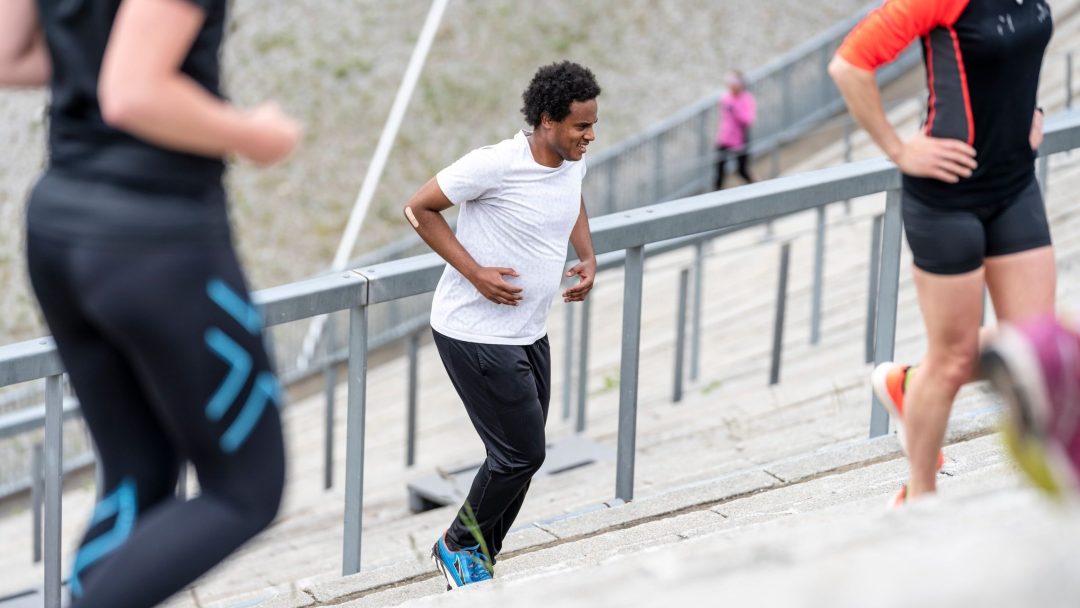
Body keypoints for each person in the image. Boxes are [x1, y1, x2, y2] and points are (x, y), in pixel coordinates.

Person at [0, 0, 302, 605]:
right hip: (157, 245)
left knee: (138, 475)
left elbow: (12, 55)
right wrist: (253, 133)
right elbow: (133, 91)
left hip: (60, 225)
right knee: (245, 491)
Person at [829, 0, 1054, 507]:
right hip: (949, 197)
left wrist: (1031, 110)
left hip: (1015, 183)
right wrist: (899, 149)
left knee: (1037, 344)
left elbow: (1018, 51)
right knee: (951, 361)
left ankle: (910, 384)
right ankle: (919, 496)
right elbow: (849, 65)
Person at [403, 60, 599, 588]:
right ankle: (458, 544)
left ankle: (479, 557)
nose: (590, 135)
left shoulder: (570, 160)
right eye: (581, 126)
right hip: (474, 333)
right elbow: (418, 209)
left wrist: (586, 254)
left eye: (592, 124)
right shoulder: (494, 164)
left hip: (529, 331)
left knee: (521, 457)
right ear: (547, 120)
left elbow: (571, 195)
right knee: (520, 453)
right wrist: (476, 274)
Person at [714, 70, 756, 190]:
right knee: (719, 170)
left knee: (742, 170)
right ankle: (715, 197)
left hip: (740, 139)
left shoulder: (747, 98)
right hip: (725, 138)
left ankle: (757, 188)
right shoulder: (725, 98)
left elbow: (748, 120)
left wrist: (736, 111)